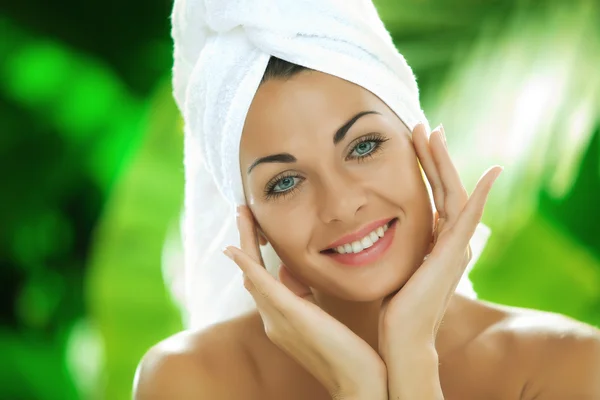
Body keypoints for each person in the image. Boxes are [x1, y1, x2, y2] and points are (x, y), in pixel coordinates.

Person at [134, 2, 600, 399]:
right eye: (285, 182)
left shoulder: (564, 367)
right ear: (249, 221)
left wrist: (413, 359)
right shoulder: (194, 381)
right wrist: (358, 387)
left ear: (422, 145)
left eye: (362, 147)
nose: (339, 204)